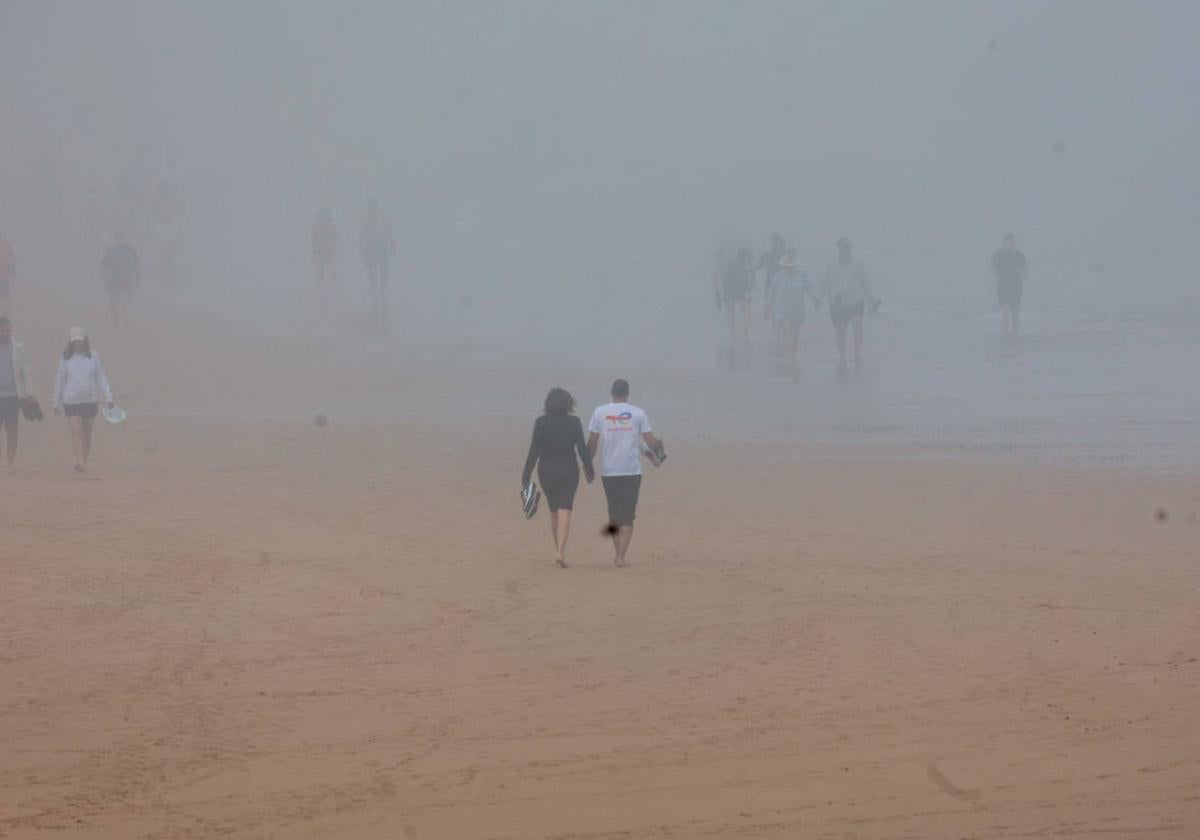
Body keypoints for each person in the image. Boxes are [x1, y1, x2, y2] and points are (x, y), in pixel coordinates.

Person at [587, 379, 661, 567]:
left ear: (611, 392)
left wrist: (587, 465)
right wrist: (659, 448)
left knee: (613, 513)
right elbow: (649, 441)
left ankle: (617, 551)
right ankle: (621, 555)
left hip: (609, 471)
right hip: (631, 471)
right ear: (627, 393)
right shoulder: (638, 413)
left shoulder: (600, 412)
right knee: (628, 514)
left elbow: (593, 442)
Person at [522, 387, 596, 568]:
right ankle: (560, 551)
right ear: (568, 404)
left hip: (546, 470)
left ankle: (559, 550)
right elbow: (581, 448)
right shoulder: (574, 422)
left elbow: (534, 450)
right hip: (568, 469)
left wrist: (525, 475)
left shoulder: (540, 422)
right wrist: (589, 468)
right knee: (565, 510)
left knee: (554, 512)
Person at [52, 326, 113, 473]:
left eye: (80, 341)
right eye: (75, 341)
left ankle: (83, 460)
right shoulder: (65, 358)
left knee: (87, 432)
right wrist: (55, 400)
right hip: (71, 400)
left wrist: (108, 396)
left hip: (90, 400)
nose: (77, 344)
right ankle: (78, 460)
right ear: (71, 342)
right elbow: (60, 379)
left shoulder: (94, 356)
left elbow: (101, 377)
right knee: (76, 430)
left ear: (85, 340)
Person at [823, 237, 878, 372]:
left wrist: (872, 299)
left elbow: (865, 283)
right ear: (839, 248)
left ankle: (857, 353)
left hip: (855, 301)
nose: (847, 249)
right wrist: (821, 299)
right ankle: (842, 357)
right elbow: (825, 284)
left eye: (849, 247)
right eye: (844, 247)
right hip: (838, 302)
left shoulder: (857, 264)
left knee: (857, 323)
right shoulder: (831, 265)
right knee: (841, 331)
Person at [766, 251, 821, 377]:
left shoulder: (801, 276)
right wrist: (768, 308)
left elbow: (809, 289)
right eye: (787, 266)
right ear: (784, 266)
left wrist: (816, 299)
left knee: (795, 334)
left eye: (791, 266)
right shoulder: (778, 277)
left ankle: (793, 354)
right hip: (783, 310)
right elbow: (771, 293)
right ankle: (790, 357)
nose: (789, 268)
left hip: (798, 310)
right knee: (788, 330)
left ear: (795, 266)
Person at [0, 317, 34, 466]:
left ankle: (10, 461)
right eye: (2, 330)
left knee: (12, 428)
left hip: (13, 395)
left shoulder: (18, 347)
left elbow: (25, 372)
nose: (5, 333)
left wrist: (29, 394)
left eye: (8, 330)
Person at [361, 199, 395, 334]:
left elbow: (390, 233)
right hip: (371, 250)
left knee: (383, 272)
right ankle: (375, 294)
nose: (373, 210)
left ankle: (382, 293)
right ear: (370, 209)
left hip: (381, 249)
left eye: (374, 208)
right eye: (372, 208)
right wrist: (360, 246)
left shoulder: (383, 219)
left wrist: (393, 245)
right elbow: (362, 235)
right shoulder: (366, 222)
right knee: (373, 273)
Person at [102, 230, 142, 332]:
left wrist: (105, 282)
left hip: (117, 282)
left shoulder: (111, 251)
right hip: (125, 282)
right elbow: (138, 268)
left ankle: (117, 326)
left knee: (117, 305)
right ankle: (122, 325)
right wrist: (138, 281)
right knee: (123, 305)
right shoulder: (130, 251)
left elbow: (105, 269)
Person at [992, 233, 1027, 338]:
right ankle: (1005, 333)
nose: (1009, 244)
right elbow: (993, 269)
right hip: (1003, 286)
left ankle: (1015, 332)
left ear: (1013, 243)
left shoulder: (1019, 255)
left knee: (1015, 310)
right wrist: (998, 279)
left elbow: (1024, 270)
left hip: (1016, 286)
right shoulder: (998, 255)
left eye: (1011, 242)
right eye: (1007, 242)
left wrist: (1022, 278)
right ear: (1004, 243)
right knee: (1005, 310)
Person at [719, 248, 755, 338]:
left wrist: (749, 287)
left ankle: (740, 330)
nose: (747, 260)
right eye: (747, 257)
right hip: (733, 291)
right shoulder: (735, 264)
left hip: (738, 291)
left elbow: (747, 279)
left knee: (740, 311)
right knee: (735, 312)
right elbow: (725, 278)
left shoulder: (742, 265)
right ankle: (736, 331)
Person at [311, 208, 338, 325]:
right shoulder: (316, 228)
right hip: (320, 254)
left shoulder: (332, 227)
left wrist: (330, 246)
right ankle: (321, 296)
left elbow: (335, 239)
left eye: (326, 216)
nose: (325, 218)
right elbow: (312, 240)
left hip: (329, 254)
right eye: (323, 216)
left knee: (331, 275)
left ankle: (330, 295)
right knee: (320, 276)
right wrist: (319, 245)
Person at [757, 232, 787, 301]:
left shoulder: (787, 255)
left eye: (777, 241)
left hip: (784, 284)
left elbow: (793, 269)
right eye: (773, 241)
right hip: (771, 283)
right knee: (771, 304)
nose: (775, 243)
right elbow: (759, 266)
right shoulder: (768, 255)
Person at [0, 232, 15, 315]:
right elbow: (12, 257)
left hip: (3, 274)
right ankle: (5, 309)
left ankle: (5, 309)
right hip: (4, 274)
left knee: (4, 292)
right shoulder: (6, 244)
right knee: (5, 292)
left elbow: (11, 257)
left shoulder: (5, 244)